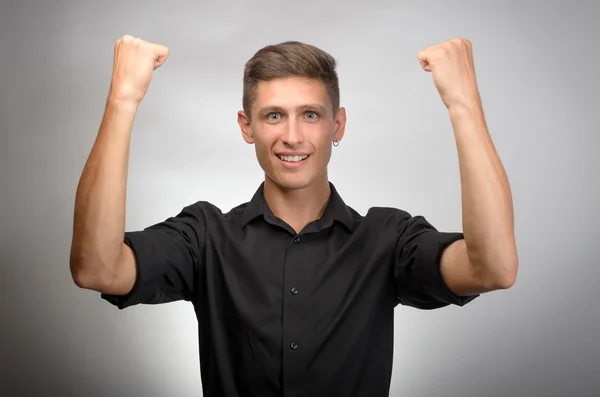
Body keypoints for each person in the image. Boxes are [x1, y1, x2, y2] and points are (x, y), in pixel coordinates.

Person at [70, 35, 518, 397]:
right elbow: (96, 268)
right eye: (272, 116)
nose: (292, 136)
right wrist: (122, 100)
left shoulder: (388, 238)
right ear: (247, 127)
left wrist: (463, 102)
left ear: (336, 125)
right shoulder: (206, 235)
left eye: (310, 115)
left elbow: (492, 268)